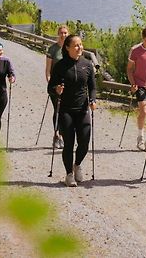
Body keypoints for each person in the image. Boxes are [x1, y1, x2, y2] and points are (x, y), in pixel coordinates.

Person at [48, 34, 97, 187]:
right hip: (66, 110)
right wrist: (57, 89)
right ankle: (69, 174)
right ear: (67, 48)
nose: (79, 48)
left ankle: (77, 165)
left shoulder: (87, 64)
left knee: (84, 142)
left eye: (80, 45)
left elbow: (92, 87)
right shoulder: (60, 65)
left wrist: (93, 100)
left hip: (82, 109)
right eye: (76, 45)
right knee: (69, 144)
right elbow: (50, 88)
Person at [45, 25, 69, 148]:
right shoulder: (52, 49)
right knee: (58, 109)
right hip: (55, 85)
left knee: (65, 111)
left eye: (65, 33)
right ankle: (57, 135)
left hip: (68, 86)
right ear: (58, 34)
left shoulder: (70, 49)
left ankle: (64, 135)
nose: (63, 35)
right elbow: (48, 70)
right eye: (61, 33)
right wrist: (50, 83)